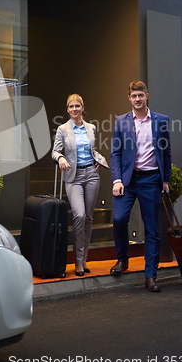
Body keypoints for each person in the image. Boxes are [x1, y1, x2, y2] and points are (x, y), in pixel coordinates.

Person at [110, 81, 171, 292]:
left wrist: (166, 181)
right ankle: (122, 259)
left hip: (151, 180)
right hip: (127, 181)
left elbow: (167, 152)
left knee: (152, 229)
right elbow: (115, 154)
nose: (137, 98)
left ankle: (150, 276)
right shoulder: (121, 121)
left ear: (147, 96)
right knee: (119, 219)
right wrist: (117, 180)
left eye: (141, 95)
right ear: (129, 98)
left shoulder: (161, 121)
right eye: (134, 95)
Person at [52, 94, 109, 276]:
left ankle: (84, 260)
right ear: (67, 109)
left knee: (89, 218)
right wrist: (61, 158)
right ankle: (77, 261)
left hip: (92, 173)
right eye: (71, 106)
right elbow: (55, 151)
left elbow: (90, 150)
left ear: (83, 108)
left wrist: (99, 158)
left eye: (77, 106)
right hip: (73, 176)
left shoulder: (91, 128)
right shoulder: (63, 129)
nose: (74, 109)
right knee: (80, 215)